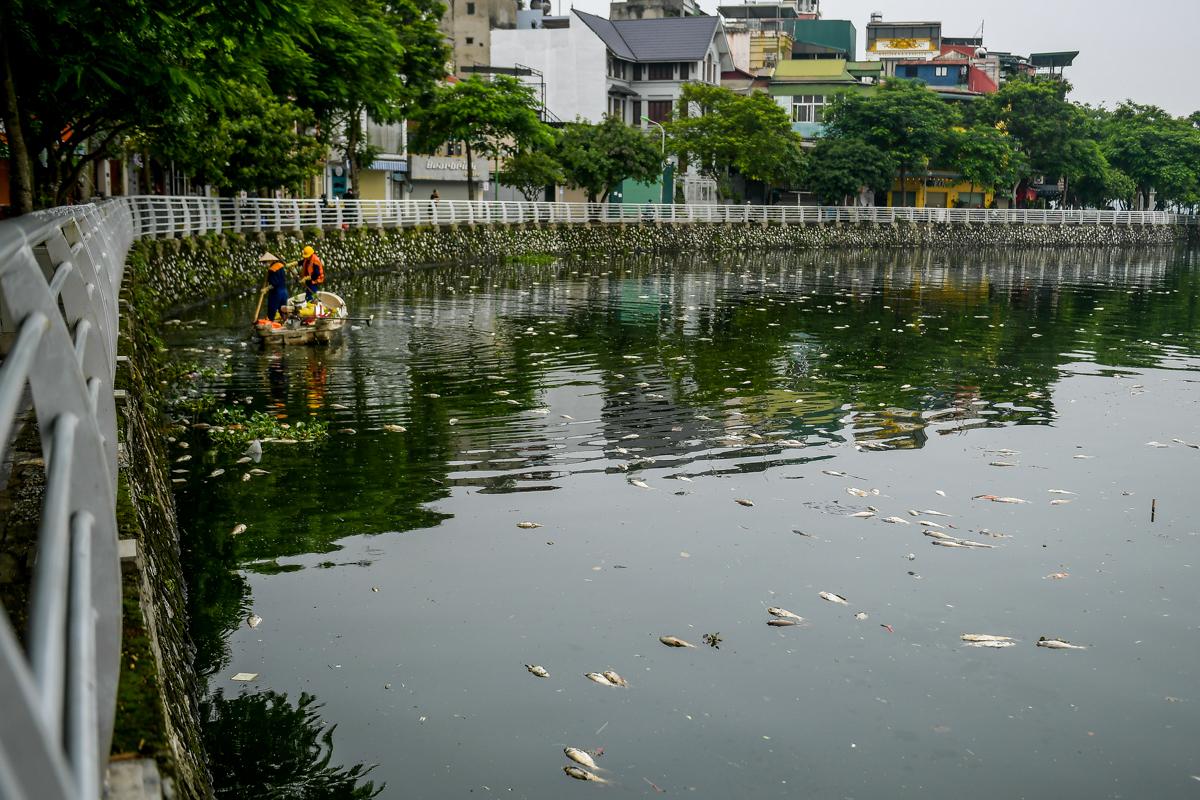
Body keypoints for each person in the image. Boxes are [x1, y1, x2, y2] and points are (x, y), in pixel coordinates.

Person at [260, 252, 290, 322]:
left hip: (276, 293)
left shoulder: (272, 269)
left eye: (266, 262)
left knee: (271, 310)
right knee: (282, 309)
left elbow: (274, 284)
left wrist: (266, 289)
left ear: (271, 261)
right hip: (284, 291)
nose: (265, 264)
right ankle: (286, 322)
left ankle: (269, 325)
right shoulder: (280, 265)